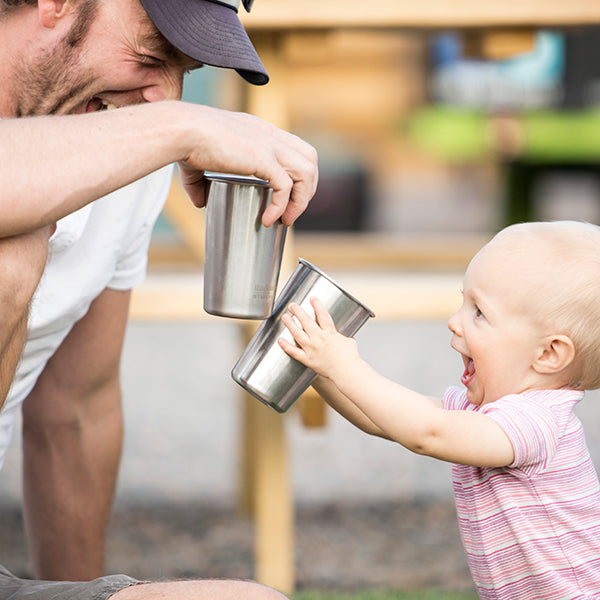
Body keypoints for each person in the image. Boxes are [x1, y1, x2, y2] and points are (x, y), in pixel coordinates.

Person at [0, 0, 318, 599]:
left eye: (185, 71)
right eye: (151, 56)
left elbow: (76, 408)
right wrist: (184, 129)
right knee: (11, 254)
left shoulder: (124, 146)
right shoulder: (157, 130)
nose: (163, 97)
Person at [280, 220, 600, 599]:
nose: (455, 321)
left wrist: (344, 366)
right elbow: (383, 421)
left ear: (548, 354)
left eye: (479, 312)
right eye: (463, 301)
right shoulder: (484, 413)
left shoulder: (537, 423)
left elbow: (425, 433)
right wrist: (319, 369)